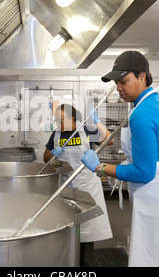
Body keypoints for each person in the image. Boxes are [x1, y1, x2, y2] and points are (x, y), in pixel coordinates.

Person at [81, 51, 159, 267]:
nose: (119, 88)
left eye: (123, 81)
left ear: (142, 76)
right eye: (116, 83)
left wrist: (99, 167)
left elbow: (144, 172)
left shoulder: (141, 114)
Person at [43, 104, 114, 267]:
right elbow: (45, 156)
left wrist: (98, 122)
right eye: (56, 121)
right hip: (66, 186)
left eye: (61, 120)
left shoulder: (86, 130)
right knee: (67, 229)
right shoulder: (56, 134)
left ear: (72, 119)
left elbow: (110, 141)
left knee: (86, 231)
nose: (58, 124)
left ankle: (86, 266)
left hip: (86, 186)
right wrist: (52, 154)